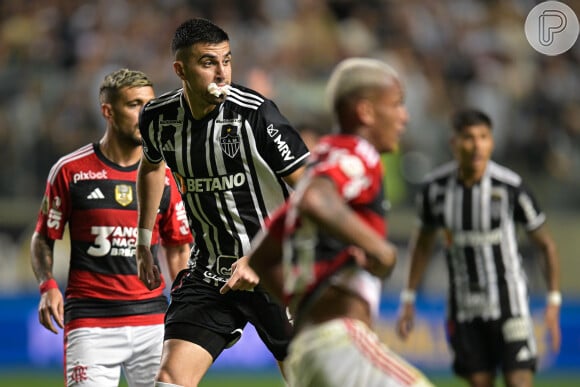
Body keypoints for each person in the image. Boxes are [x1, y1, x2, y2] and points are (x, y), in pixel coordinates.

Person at [135, 18, 309, 387]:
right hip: (210, 272)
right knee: (169, 379)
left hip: (277, 272)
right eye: (208, 62)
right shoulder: (157, 119)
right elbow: (151, 168)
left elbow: (313, 193)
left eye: (227, 60)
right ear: (180, 70)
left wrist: (262, 257)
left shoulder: (255, 114)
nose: (222, 73)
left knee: (307, 380)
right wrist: (143, 237)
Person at [248, 57, 434, 387]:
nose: (404, 116)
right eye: (396, 104)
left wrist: (305, 302)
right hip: (339, 342)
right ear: (366, 112)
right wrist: (380, 249)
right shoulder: (358, 153)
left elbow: (261, 256)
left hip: (307, 350)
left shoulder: (319, 164)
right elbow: (316, 200)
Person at [30, 68, 193, 387]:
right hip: (91, 324)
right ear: (108, 111)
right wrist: (47, 285)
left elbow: (178, 245)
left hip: (153, 322)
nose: (145, 114)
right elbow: (43, 238)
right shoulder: (70, 171)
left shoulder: (167, 176)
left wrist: (186, 306)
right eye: (134, 105)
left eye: (149, 105)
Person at [396, 108, 562, 387]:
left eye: (483, 137)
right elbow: (423, 245)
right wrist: (409, 298)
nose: (476, 146)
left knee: (519, 380)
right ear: (454, 143)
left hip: (510, 305)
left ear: (492, 142)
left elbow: (546, 245)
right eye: (468, 138)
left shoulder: (511, 188)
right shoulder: (434, 191)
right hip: (464, 308)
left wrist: (553, 301)